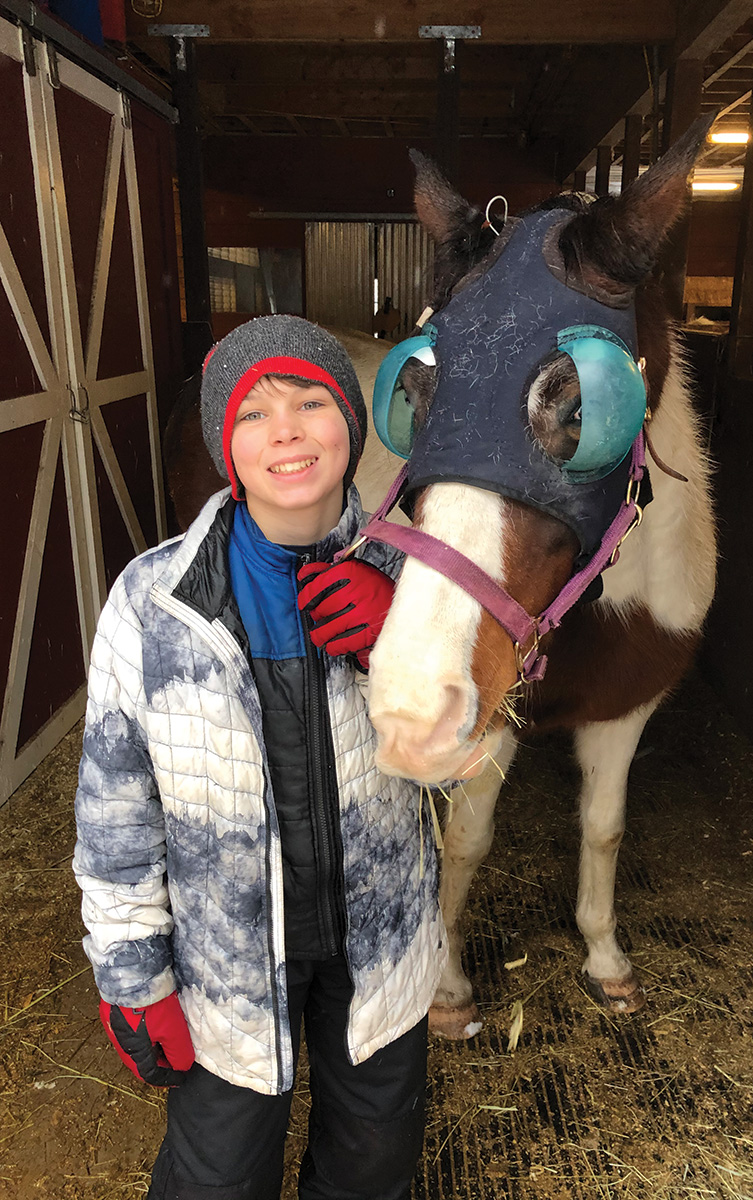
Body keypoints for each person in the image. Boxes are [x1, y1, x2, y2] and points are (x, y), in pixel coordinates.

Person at [73, 315, 447, 1200]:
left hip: (379, 948)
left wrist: (405, 642)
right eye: (254, 413)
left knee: (371, 1170)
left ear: (352, 430)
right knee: (215, 1180)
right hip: (226, 969)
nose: (285, 429)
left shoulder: (421, 587)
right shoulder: (153, 602)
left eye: (312, 401)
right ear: (224, 448)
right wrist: (132, 976)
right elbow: (114, 808)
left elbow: (463, 762)